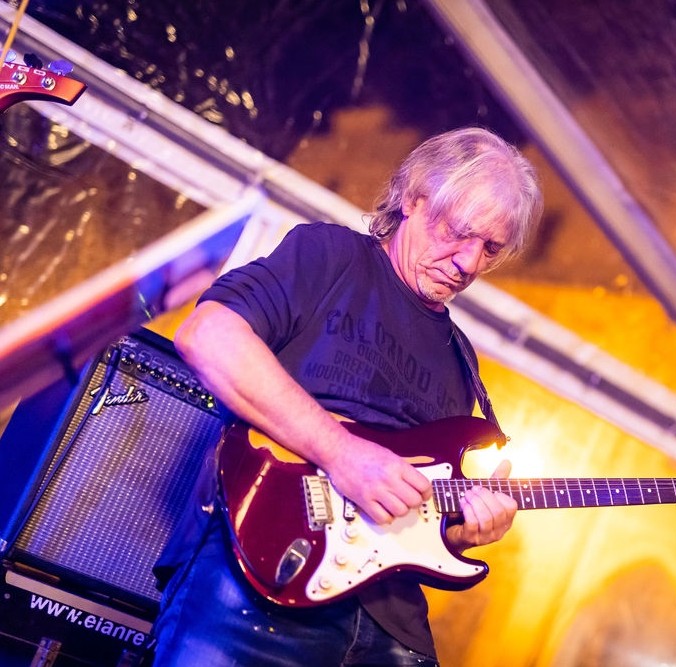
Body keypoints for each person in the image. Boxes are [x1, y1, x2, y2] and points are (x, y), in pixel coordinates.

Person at [149, 126, 543, 666]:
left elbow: (414, 510)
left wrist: (463, 531)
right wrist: (342, 453)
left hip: (393, 631)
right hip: (266, 577)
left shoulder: (460, 361)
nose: (469, 263)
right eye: (459, 232)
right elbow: (208, 336)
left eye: (490, 248)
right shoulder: (331, 257)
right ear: (413, 198)